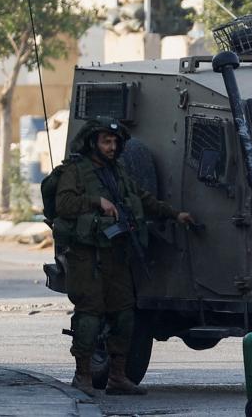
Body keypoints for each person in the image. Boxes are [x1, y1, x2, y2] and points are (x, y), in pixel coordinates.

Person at [52, 117, 195, 396]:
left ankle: (118, 376)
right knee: (90, 315)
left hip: (116, 255)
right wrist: (96, 201)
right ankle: (83, 375)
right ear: (93, 142)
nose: (112, 147)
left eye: (115, 142)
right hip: (87, 256)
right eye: (106, 141)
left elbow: (141, 197)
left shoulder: (117, 171)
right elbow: (64, 204)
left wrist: (174, 214)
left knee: (124, 315)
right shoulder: (75, 171)